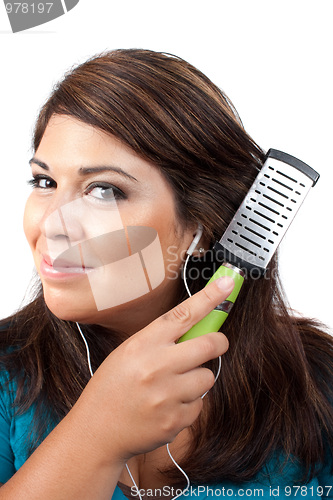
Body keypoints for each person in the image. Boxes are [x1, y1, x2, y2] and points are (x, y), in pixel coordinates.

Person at [0, 49, 332, 499]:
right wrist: (93, 436)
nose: (52, 225)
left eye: (104, 190)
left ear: (199, 226)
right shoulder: (6, 378)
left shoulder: (318, 382)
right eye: (45, 182)